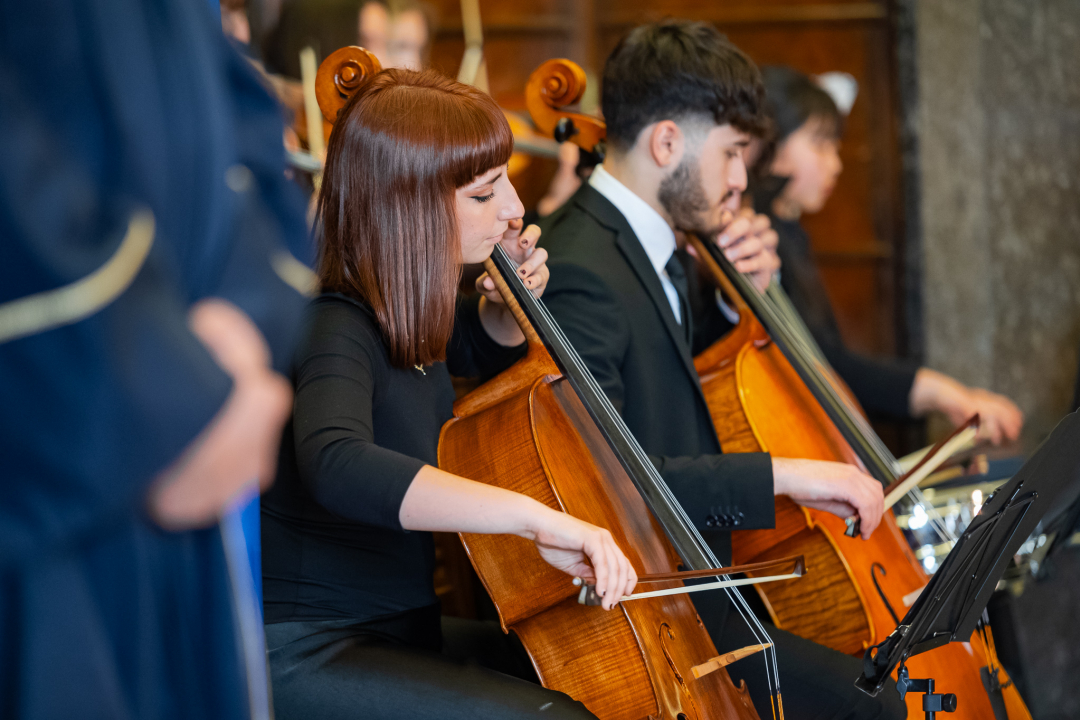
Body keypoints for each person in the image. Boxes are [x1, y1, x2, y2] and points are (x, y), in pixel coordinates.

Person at [537, 20, 905, 719]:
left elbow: (684, 382)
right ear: (667, 141)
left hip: (710, 591)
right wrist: (790, 475)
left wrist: (746, 303)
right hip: (654, 620)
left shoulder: (660, 250)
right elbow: (611, 482)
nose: (742, 181)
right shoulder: (581, 266)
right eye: (733, 154)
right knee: (875, 706)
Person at [260, 67, 637, 720]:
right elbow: (337, 461)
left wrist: (501, 310)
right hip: (313, 648)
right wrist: (533, 516)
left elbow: (469, 345)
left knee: (599, 671)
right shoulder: (336, 321)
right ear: (411, 202)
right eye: (488, 193)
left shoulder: (403, 306)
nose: (518, 208)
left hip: (403, 627)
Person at [0, 0, 312, 717]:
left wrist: (242, 321)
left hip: (192, 422)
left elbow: (240, 124)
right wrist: (165, 389)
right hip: (49, 451)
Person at [751, 65, 1024, 445]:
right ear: (770, 143)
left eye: (835, 145)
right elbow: (825, 365)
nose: (836, 163)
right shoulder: (759, 242)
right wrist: (942, 392)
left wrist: (944, 394)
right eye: (820, 143)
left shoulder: (788, 234)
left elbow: (829, 368)